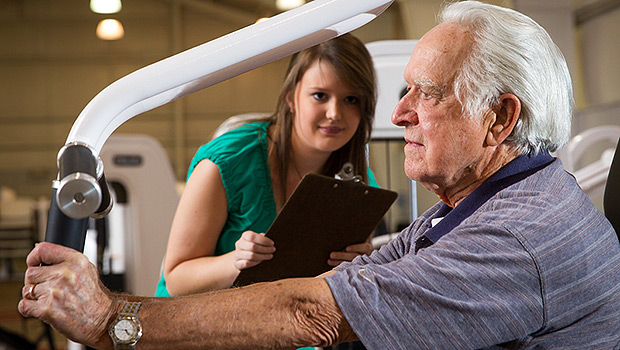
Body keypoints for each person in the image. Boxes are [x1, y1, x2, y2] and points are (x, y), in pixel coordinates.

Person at [18, 1, 620, 349]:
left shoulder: (513, 234)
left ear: (500, 119)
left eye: (425, 94)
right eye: (401, 90)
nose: (397, 113)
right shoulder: (476, 206)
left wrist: (108, 320)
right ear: (291, 99)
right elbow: (360, 278)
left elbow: (315, 312)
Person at [156, 33, 379, 297]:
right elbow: (176, 280)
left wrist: (360, 263)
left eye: (351, 99)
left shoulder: (361, 184)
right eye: (320, 95)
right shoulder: (227, 161)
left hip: (289, 330)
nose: (334, 113)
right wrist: (235, 261)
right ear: (290, 97)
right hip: (198, 327)